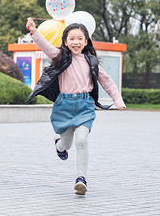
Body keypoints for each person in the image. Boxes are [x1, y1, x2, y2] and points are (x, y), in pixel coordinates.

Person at [25, 18, 126, 195]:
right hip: (63, 105)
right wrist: (34, 31)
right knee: (67, 143)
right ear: (65, 41)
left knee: (82, 140)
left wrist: (118, 101)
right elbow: (45, 46)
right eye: (72, 38)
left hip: (85, 106)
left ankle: (81, 178)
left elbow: (107, 81)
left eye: (80, 38)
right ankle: (59, 146)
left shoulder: (91, 61)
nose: (76, 42)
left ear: (86, 41)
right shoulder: (60, 57)